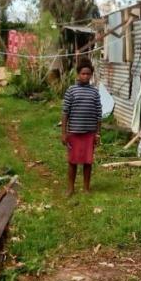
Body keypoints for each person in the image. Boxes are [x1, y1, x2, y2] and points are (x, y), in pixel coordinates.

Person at [61, 58, 102, 196]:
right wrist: (64, 133)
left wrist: (98, 133)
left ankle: (86, 188)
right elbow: (65, 112)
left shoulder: (95, 92)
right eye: (83, 73)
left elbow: (98, 113)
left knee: (87, 162)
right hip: (74, 133)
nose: (85, 76)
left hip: (89, 133)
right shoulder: (71, 91)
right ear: (78, 74)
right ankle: (70, 188)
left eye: (88, 74)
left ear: (91, 75)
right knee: (72, 162)